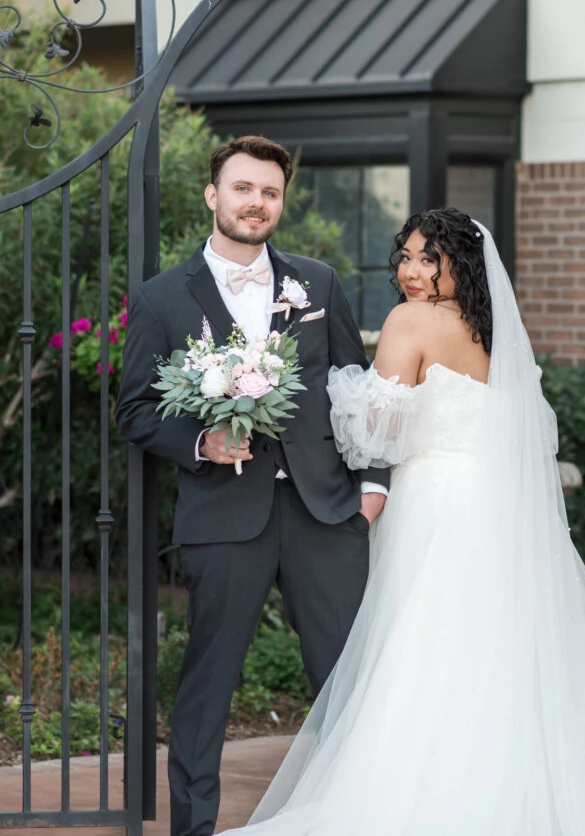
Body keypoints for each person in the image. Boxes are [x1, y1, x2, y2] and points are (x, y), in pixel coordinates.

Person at [220, 207, 585, 835]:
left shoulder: (411, 321)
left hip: (436, 503)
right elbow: (531, 430)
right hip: (497, 505)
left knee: (425, 646)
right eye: (406, 256)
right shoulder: (498, 335)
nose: (412, 271)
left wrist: (319, 389)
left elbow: (373, 432)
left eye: (431, 259)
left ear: (463, 265)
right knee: (504, 648)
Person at [115, 135, 389, 836]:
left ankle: (366, 815)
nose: (256, 202)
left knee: (349, 683)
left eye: (269, 192)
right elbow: (136, 410)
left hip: (325, 512)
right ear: (214, 195)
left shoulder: (317, 283)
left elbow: (356, 389)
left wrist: (374, 486)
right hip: (222, 514)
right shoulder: (159, 298)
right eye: (243, 188)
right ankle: (193, 829)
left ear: (280, 202)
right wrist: (202, 442)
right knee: (208, 685)